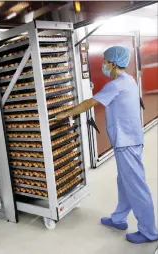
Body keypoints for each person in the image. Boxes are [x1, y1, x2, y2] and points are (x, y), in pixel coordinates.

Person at [56, 46, 158, 244]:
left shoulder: (116, 84)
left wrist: (64, 113)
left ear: (113, 62)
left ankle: (149, 231)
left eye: (104, 61)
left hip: (126, 142)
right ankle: (119, 218)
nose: (102, 64)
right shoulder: (129, 80)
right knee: (125, 182)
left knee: (136, 186)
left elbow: (88, 104)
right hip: (130, 139)